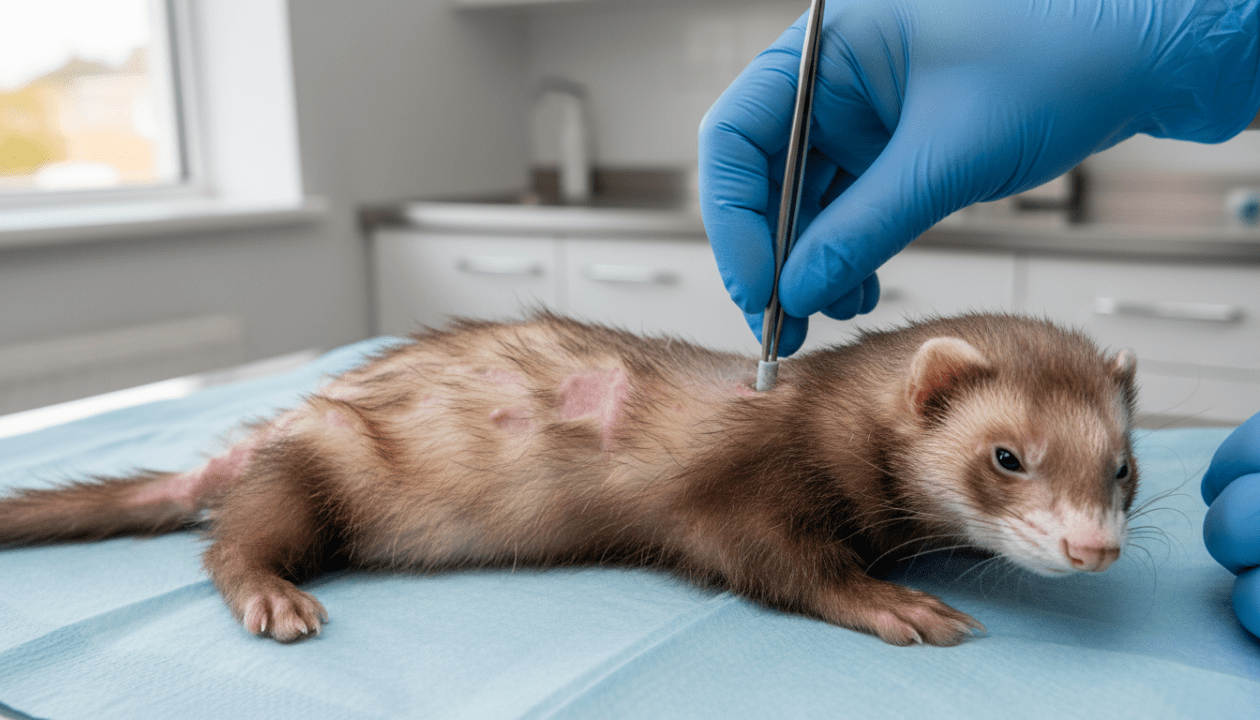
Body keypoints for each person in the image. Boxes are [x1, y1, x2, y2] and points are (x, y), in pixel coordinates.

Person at [697, 0, 1260, 637]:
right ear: (934, 391)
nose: (1097, 540)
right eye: (1009, 460)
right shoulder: (808, 457)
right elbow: (729, 524)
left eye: (1119, 471)